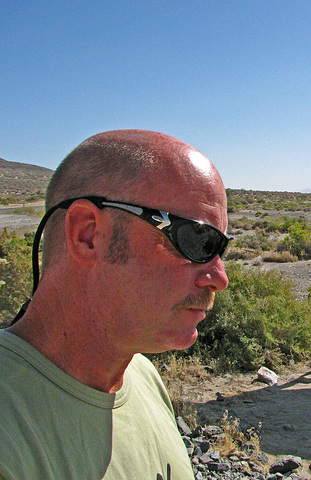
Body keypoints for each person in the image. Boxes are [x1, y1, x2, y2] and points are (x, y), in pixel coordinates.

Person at [0, 129, 231, 480]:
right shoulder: (10, 435)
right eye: (197, 240)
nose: (219, 277)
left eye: (221, 247)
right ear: (88, 234)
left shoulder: (140, 374)